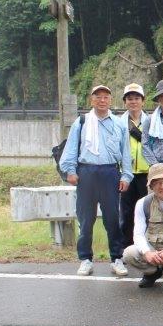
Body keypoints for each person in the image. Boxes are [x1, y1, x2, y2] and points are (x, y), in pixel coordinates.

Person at [58, 84, 133, 277]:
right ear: (92, 100)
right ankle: (85, 259)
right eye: (98, 97)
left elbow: (125, 152)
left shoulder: (118, 124)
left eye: (106, 97)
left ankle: (117, 258)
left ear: (111, 100)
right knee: (86, 218)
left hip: (110, 172)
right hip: (86, 173)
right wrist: (70, 171)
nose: (102, 100)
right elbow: (72, 148)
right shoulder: (81, 122)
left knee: (112, 219)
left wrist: (126, 175)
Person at [117, 83, 150, 253]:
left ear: (143, 101)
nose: (133, 102)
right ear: (124, 102)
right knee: (127, 212)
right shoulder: (118, 122)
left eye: (137, 98)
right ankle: (126, 247)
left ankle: (145, 246)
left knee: (146, 211)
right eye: (130, 98)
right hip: (127, 174)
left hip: (146, 174)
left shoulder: (151, 121)